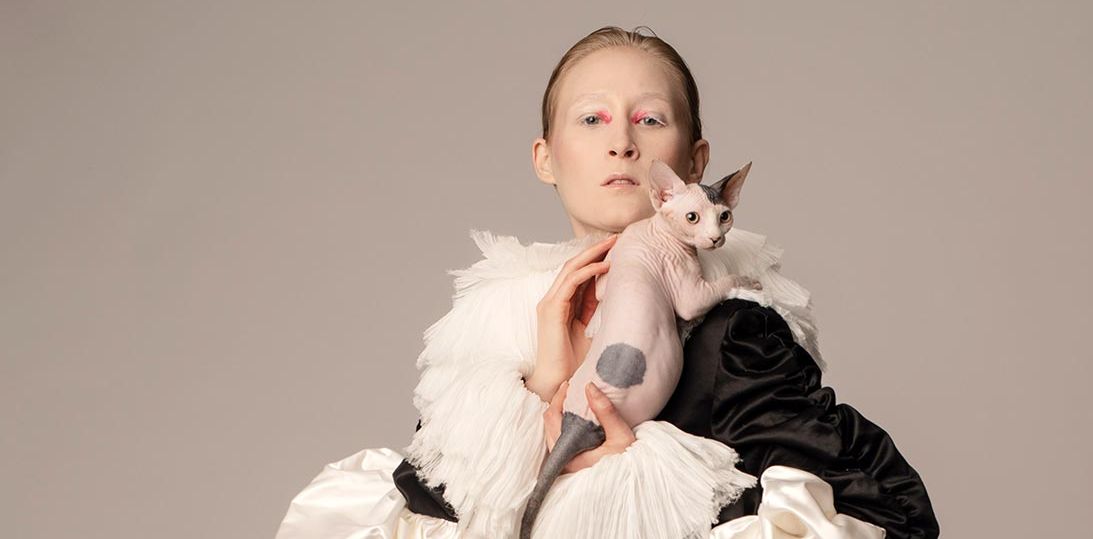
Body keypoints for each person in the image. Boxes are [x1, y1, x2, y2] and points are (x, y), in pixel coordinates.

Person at [276, 26, 939, 539]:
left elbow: (873, 515)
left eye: (650, 119)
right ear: (546, 158)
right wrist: (538, 387)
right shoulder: (495, 331)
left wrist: (635, 474)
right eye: (591, 119)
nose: (622, 142)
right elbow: (435, 517)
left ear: (694, 164)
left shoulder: (733, 333)